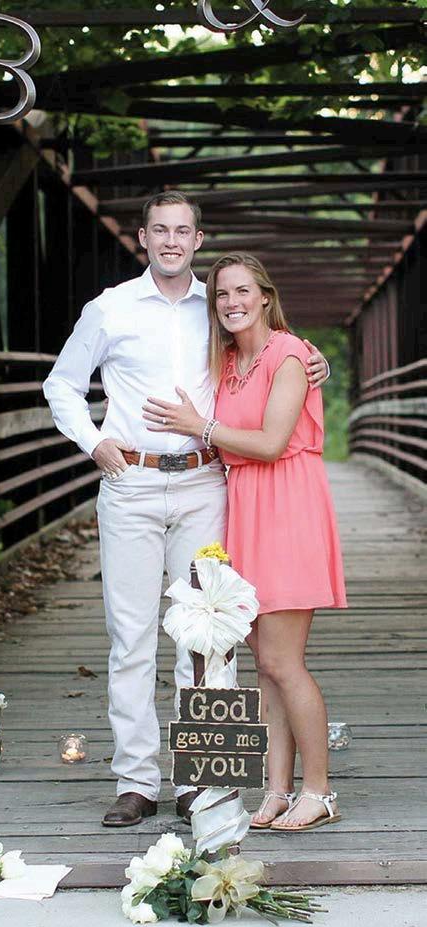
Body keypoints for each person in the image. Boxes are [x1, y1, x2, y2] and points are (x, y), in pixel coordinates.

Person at [43, 194, 329, 828]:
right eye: (160, 230)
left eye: (183, 231)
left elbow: (271, 355)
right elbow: (60, 383)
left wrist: (319, 362)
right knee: (132, 636)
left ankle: (204, 779)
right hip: (131, 482)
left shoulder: (218, 307)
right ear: (142, 237)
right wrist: (93, 441)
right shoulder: (110, 308)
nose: (171, 241)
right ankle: (136, 781)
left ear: (198, 240)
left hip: (206, 483)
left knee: (209, 636)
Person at [142, 251, 347, 832]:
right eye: (221, 294)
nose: (231, 302)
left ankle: (320, 791)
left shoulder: (291, 354)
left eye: (241, 291)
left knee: (285, 661)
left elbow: (274, 442)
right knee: (265, 665)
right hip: (246, 510)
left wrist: (200, 427)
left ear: (264, 296)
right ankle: (278, 789)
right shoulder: (228, 362)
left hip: (289, 507)